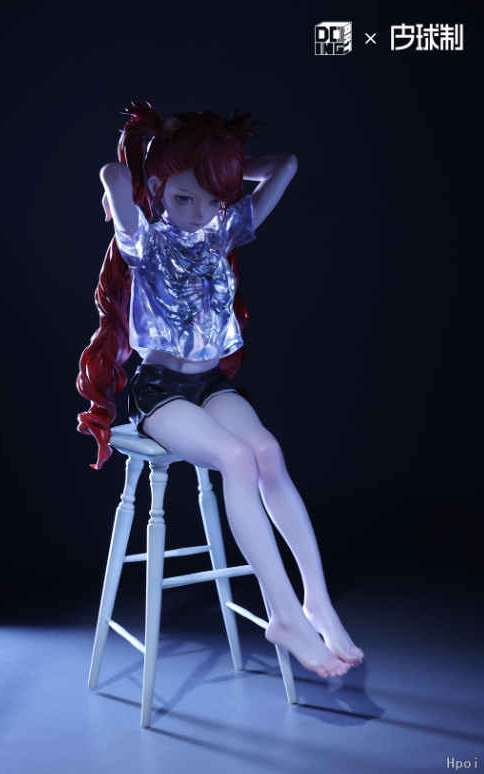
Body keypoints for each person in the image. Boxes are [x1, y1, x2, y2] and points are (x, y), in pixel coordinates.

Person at [77, 100, 364, 679]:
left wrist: (222, 170)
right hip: (159, 392)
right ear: (159, 190)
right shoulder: (144, 239)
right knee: (236, 459)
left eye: (213, 200)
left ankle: (317, 601)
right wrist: (159, 164)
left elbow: (285, 165)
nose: (197, 213)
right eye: (184, 198)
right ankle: (283, 614)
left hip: (209, 383)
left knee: (268, 452)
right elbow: (111, 175)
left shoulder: (222, 229)